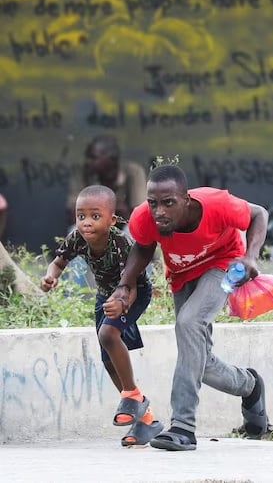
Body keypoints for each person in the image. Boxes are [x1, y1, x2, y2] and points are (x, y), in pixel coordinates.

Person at [108, 164, 269, 451]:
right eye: (153, 203)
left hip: (223, 265)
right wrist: (124, 285)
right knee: (198, 361)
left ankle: (183, 426)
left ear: (187, 200)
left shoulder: (216, 204)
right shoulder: (144, 217)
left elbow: (259, 213)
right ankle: (250, 386)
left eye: (168, 203)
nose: (159, 212)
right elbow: (144, 247)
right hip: (182, 275)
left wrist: (251, 256)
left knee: (188, 322)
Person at [41, 185, 163, 446]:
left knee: (108, 334)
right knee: (108, 358)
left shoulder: (120, 243)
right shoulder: (76, 238)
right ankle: (146, 420)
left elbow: (130, 284)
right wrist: (51, 276)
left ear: (112, 220)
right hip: (106, 295)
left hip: (135, 291)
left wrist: (122, 303)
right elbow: (59, 261)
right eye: (81, 216)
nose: (86, 223)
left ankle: (132, 396)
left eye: (95, 216)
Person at [67, 135, 147, 229]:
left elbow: (141, 216)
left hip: (123, 226)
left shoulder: (133, 172)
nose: (88, 162)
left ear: (112, 159)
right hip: (94, 225)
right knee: (75, 230)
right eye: (88, 157)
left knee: (135, 230)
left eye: (93, 158)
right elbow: (72, 215)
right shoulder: (82, 174)